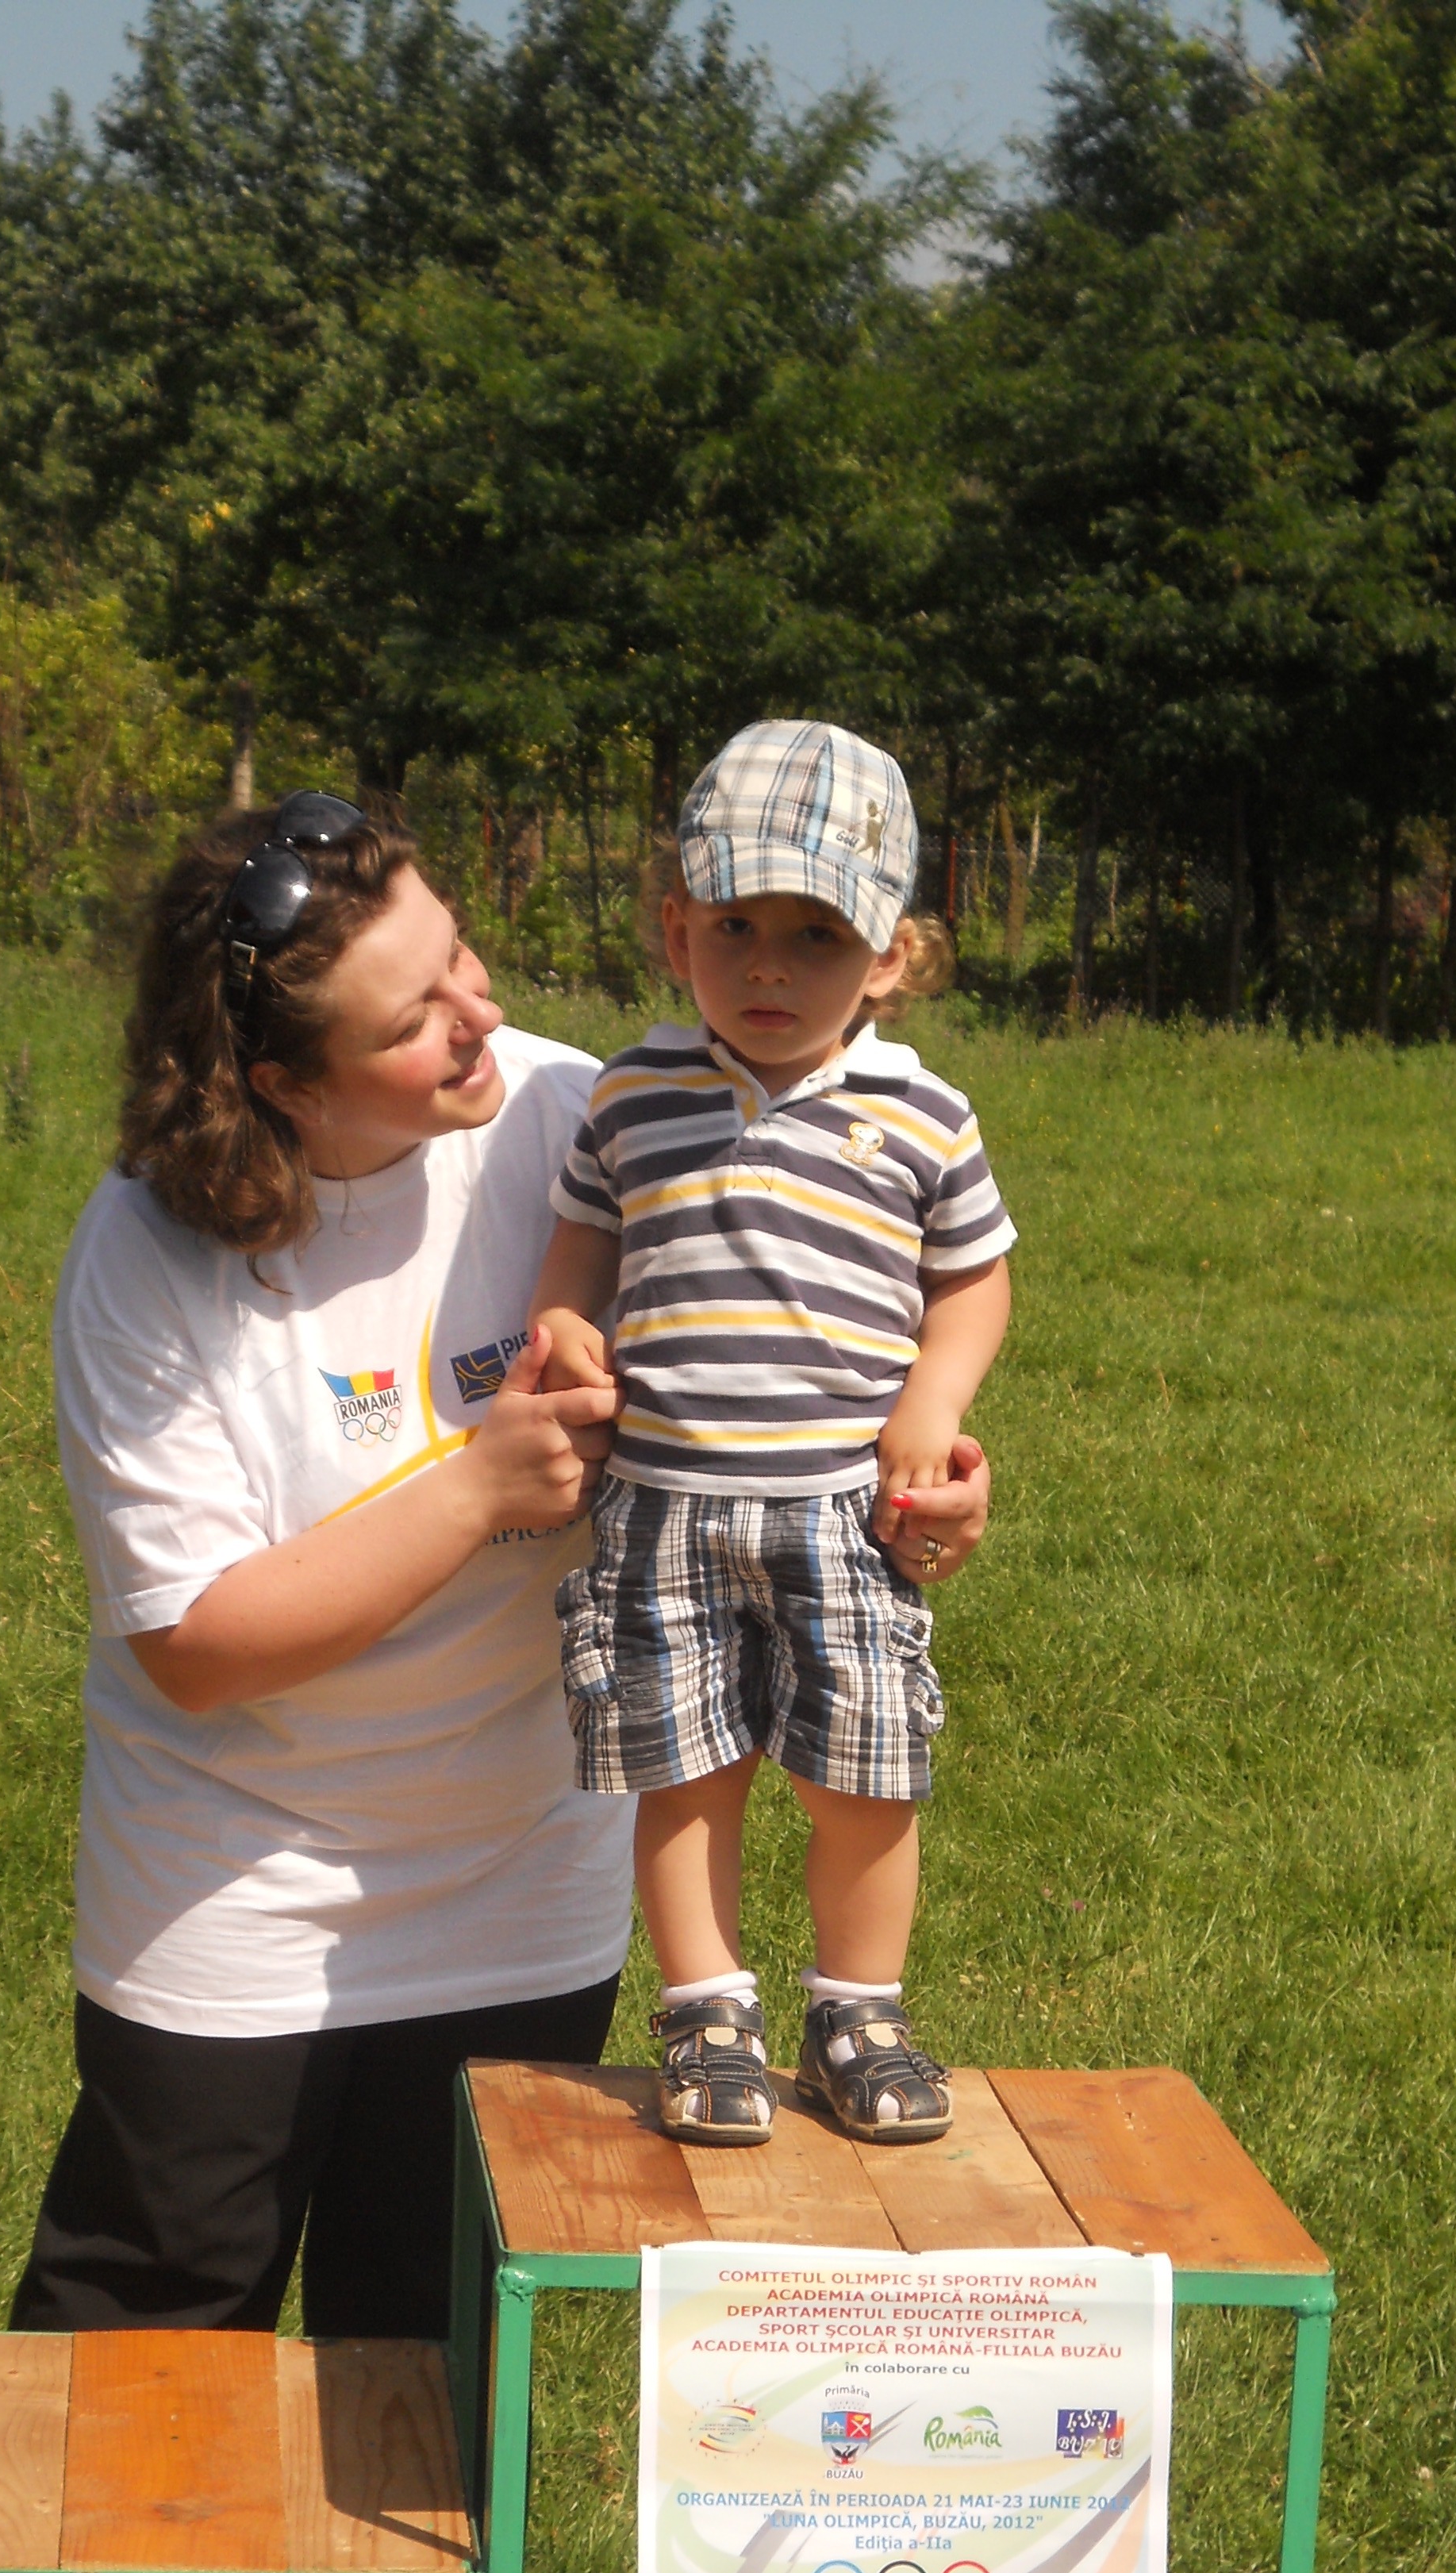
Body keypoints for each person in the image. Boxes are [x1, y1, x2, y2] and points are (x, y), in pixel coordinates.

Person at [0, 787, 995, 2573]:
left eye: (464, 960)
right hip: (233, 1889)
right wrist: (481, 1486)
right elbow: (200, 1644)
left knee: (430, 2335)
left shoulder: (583, 1117)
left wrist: (926, 1473)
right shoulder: (150, 1253)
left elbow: (825, 1347)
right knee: (165, 2316)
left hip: (522, 1878)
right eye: (418, 1016)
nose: (481, 1019)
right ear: (277, 1083)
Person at [528, 721, 1014, 2152]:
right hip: (662, 1506)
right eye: (735, 926)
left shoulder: (922, 1114)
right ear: (677, 927)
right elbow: (584, 1241)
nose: (769, 969)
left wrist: (934, 1402)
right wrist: (561, 1324)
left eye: (818, 936)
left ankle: (860, 2009)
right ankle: (706, 2010)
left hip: (843, 1509)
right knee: (686, 1769)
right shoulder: (633, 1094)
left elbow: (973, 1279)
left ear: (893, 957)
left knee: (863, 1770)